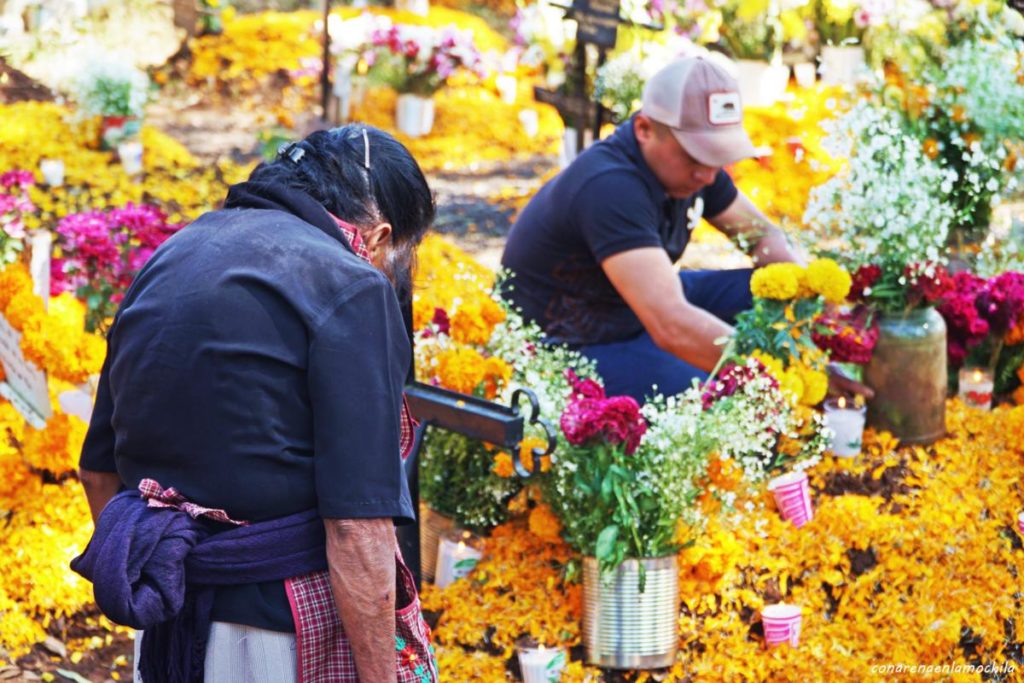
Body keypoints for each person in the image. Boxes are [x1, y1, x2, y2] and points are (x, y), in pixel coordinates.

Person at [73, 124, 437, 683]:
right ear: (381, 236)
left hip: (169, 624)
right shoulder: (350, 282)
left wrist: (172, 573)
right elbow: (357, 529)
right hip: (284, 636)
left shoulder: (173, 253)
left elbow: (98, 473)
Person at [502, 57, 871, 402]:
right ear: (645, 129)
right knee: (716, 398)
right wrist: (787, 374)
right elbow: (672, 324)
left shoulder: (692, 171)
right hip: (569, 344)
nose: (708, 175)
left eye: (717, 158)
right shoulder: (610, 187)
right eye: (696, 157)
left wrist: (817, 313)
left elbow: (763, 236)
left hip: (632, 308)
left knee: (775, 292)